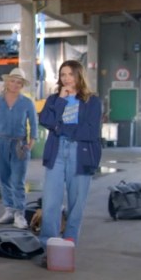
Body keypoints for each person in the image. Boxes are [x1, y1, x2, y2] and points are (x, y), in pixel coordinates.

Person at [37, 60, 102, 247]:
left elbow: (90, 131)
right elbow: (45, 120)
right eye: (63, 74)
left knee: (76, 202)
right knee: (51, 201)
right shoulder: (54, 99)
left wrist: (60, 128)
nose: (66, 78)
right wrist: (61, 100)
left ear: (79, 75)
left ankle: (70, 241)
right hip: (56, 151)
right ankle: (48, 244)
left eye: (70, 74)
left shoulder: (92, 101)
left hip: (80, 153)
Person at [0, 67, 38, 229]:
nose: (15, 85)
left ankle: (19, 213)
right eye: (12, 81)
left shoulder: (27, 103)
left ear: (22, 85)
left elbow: (33, 123)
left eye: (19, 83)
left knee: (17, 180)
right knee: (3, 178)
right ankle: (9, 210)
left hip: (19, 145)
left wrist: (31, 142)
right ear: (7, 82)